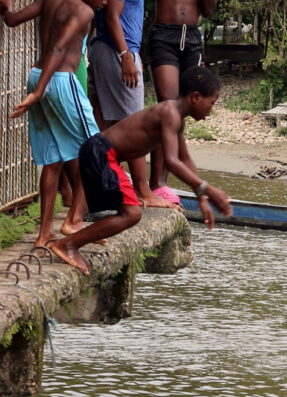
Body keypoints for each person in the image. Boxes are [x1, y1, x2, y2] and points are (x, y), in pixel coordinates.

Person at [46, 66, 232, 275]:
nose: (211, 110)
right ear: (196, 97)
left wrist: (201, 197)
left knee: (129, 212)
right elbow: (172, 161)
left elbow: (185, 159)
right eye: (212, 103)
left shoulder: (176, 117)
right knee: (132, 214)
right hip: (103, 153)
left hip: (98, 151)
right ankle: (68, 245)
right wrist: (209, 189)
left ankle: (73, 233)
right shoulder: (170, 113)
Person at [2, 0, 103, 247]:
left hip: (37, 74)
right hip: (59, 80)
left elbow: (11, 20)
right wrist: (39, 92)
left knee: (53, 159)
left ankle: (45, 232)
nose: (106, 2)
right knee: (97, 149)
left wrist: (5, 7)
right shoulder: (83, 10)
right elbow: (58, 48)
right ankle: (74, 220)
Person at [87, 0, 174, 209]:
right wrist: (126, 55)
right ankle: (142, 191)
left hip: (107, 48)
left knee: (104, 127)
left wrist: (132, 53)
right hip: (116, 50)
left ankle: (100, 190)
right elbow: (112, 16)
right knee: (135, 125)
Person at [146, 0, 217, 201]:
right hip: (164, 34)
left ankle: (163, 182)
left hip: (192, 37)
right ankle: (156, 182)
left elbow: (208, 11)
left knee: (180, 112)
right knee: (168, 107)